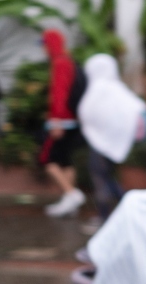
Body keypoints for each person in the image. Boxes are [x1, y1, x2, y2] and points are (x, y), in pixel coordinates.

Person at [77, 54, 146, 233]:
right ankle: (127, 215)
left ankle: (106, 218)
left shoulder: (98, 90)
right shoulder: (118, 89)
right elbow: (137, 109)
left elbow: (87, 113)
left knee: (101, 179)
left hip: (100, 145)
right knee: (109, 178)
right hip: (112, 143)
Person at [40, 29, 86, 218]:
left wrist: (56, 120)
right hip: (72, 120)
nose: (43, 49)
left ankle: (71, 194)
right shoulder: (69, 61)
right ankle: (69, 202)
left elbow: (60, 93)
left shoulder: (60, 63)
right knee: (66, 161)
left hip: (62, 120)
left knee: (48, 159)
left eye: (44, 44)